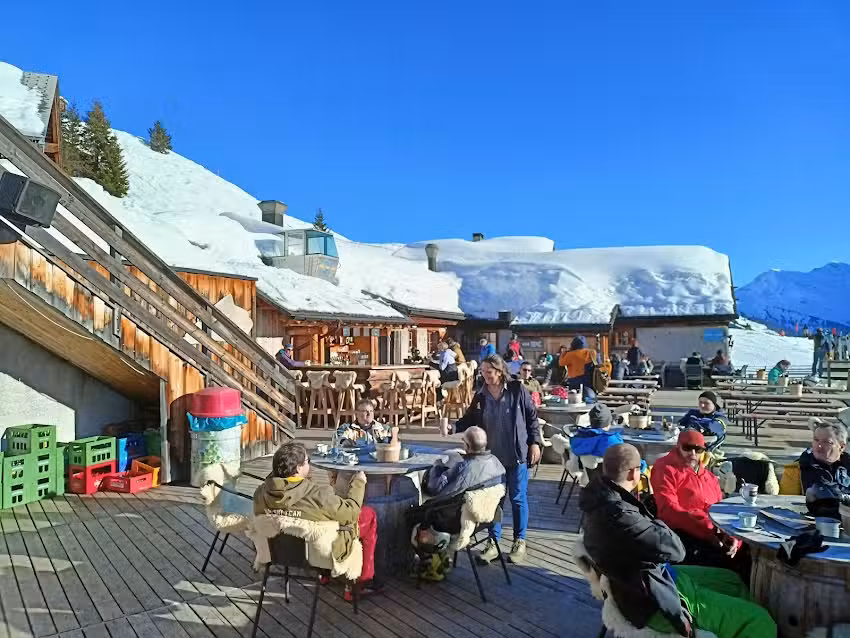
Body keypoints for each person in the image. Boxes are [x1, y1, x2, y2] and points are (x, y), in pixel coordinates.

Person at [580, 444, 777, 638]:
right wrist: (656, 520)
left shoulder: (598, 499)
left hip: (646, 580)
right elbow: (676, 550)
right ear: (633, 474)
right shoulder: (622, 516)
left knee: (731, 580)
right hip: (654, 601)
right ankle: (737, 622)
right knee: (760, 620)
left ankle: (729, 622)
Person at [253, 442, 381, 599]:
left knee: (321, 521)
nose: (310, 464)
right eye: (308, 461)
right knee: (368, 515)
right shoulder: (317, 495)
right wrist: (359, 482)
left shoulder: (261, 493)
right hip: (325, 552)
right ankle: (362, 581)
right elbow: (351, 513)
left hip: (281, 553)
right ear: (299, 469)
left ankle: (324, 574)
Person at [455, 354, 542, 564]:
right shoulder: (481, 395)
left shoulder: (516, 390)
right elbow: (468, 418)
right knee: (495, 499)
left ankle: (519, 542)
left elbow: (532, 417)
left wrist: (535, 442)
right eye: (483, 372)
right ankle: (493, 542)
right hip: (492, 459)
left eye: (490, 372)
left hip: (517, 454)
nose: (486, 376)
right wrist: (452, 426)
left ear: (500, 371)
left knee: (518, 498)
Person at [409, 426, 506, 581]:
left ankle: (431, 563)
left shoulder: (464, 467)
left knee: (411, 515)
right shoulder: (496, 463)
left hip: (455, 522)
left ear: (467, 446)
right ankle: (440, 559)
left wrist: (439, 466)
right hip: (482, 519)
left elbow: (437, 490)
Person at [651, 430, 744, 574]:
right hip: (682, 534)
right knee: (727, 564)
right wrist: (707, 532)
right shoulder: (665, 468)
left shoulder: (709, 477)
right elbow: (668, 509)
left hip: (712, 531)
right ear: (678, 446)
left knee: (749, 552)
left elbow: (722, 509)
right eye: (687, 448)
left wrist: (732, 536)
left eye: (698, 449)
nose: (693, 454)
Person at [780, 422, 850, 517]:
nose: (819, 446)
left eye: (826, 442)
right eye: (816, 440)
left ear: (841, 446)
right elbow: (786, 507)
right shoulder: (795, 470)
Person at [559, 336, 598, 401]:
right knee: (590, 398)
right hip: (590, 380)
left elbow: (561, 363)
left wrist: (564, 353)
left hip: (574, 381)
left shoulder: (570, 354)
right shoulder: (592, 352)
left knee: (575, 400)